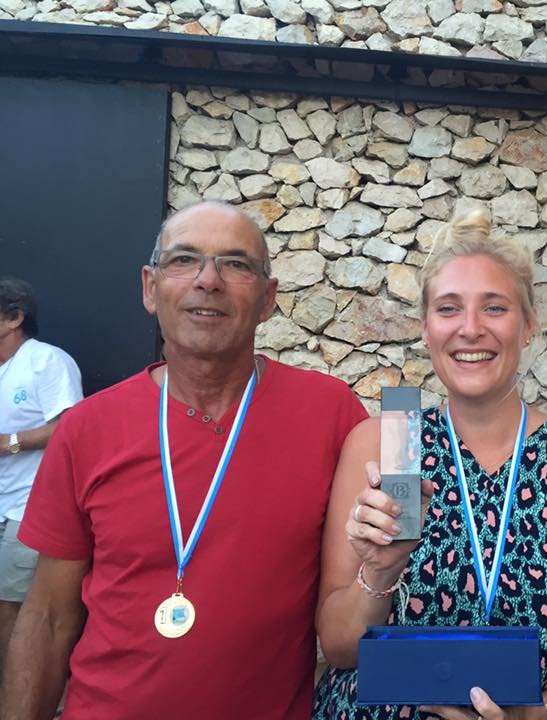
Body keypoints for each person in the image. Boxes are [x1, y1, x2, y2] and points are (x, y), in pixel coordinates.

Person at [1, 201, 367, 719]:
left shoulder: (330, 414)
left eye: (236, 264)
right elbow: (48, 616)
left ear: (268, 299)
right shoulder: (87, 429)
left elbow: (365, 586)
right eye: (184, 260)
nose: (208, 280)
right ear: (150, 288)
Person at [313, 211, 547, 720]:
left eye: (494, 308)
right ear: (426, 328)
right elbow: (340, 648)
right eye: (448, 309)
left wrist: (532, 717)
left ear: (529, 326)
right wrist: (380, 570)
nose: (470, 329)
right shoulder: (391, 445)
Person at [0, 277, 82, 677]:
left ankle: (17, 692)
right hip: (4, 503)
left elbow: (71, 425)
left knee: (13, 609)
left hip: (29, 507)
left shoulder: (46, 361)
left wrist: (9, 442)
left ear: (14, 317)